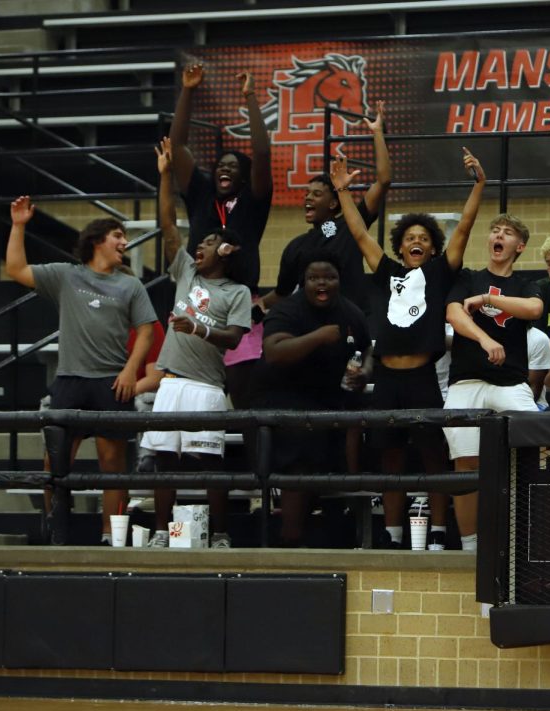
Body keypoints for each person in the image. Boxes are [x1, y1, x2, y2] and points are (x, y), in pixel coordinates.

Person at [332, 149, 485, 550]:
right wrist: (343, 193)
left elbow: (465, 228)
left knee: (434, 457)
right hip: (386, 379)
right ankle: (393, 532)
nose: (416, 241)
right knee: (391, 461)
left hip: (422, 378)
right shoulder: (386, 271)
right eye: (410, 238)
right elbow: (360, 234)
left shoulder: (438, 272)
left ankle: (436, 531)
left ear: (433, 249)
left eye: (424, 239)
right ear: (401, 247)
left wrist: (479, 186)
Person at [5, 197, 157, 545]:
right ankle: (56, 530)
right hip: (70, 380)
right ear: (97, 241)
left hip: (111, 382)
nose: (124, 242)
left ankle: (110, 536)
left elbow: (147, 330)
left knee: (112, 466)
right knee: (54, 463)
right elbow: (16, 269)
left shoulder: (130, 285)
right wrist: (18, 225)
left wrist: (131, 370)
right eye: (118, 235)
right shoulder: (66, 275)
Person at [141, 138, 252, 549]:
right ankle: (158, 532)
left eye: (205, 244)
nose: (197, 248)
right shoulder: (187, 274)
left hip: (207, 387)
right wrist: (165, 176)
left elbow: (236, 337)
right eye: (198, 245)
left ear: (223, 251)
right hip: (171, 382)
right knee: (165, 463)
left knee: (210, 465)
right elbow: (168, 224)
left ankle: (219, 534)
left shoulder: (236, 292)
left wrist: (199, 330)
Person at [169, 63, 273, 412]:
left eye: (233, 167)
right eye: (220, 165)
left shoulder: (254, 202)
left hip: (238, 302)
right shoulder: (200, 193)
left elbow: (261, 153)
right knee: (195, 400)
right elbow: (178, 144)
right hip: (198, 299)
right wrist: (188, 90)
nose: (224, 169)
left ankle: (257, 467)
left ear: (244, 179)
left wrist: (251, 97)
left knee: (246, 404)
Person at [256, 251, 370, 547]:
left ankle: (340, 537)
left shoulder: (351, 313)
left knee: (346, 447)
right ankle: (290, 537)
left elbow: (367, 351)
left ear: (339, 281)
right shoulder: (287, 310)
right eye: (314, 278)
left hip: (331, 403)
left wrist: (364, 372)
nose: (322, 283)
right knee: (300, 459)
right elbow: (273, 352)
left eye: (329, 277)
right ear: (303, 282)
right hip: (288, 403)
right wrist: (318, 336)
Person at [444, 214, 543, 551]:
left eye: (508, 233)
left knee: (536, 447)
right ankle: (470, 546)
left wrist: (488, 299)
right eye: (495, 231)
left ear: (520, 246)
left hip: (510, 383)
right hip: (467, 380)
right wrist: (485, 340)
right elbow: (454, 314)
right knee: (466, 462)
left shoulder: (527, 284)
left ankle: (531, 540)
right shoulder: (467, 278)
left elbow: (533, 309)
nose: (499, 236)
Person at [265, 101, 391, 316]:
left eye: (316, 194)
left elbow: (384, 180)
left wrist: (378, 133)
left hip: (352, 322)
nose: (308, 198)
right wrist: (250, 304)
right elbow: (281, 293)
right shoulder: (296, 247)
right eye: (306, 194)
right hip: (311, 326)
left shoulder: (350, 226)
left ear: (334, 203)